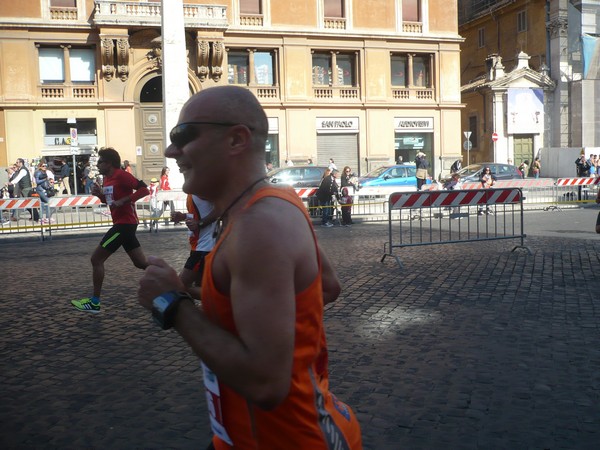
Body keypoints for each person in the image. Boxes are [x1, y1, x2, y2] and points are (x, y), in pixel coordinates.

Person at [137, 85, 362, 449]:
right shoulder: (276, 202)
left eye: (183, 135)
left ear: (236, 140)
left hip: (290, 440)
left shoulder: (259, 227)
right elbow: (327, 287)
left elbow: (265, 384)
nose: (170, 150)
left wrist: (172, 304)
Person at [71, 147, 149, 313]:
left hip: (125, 224)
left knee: (96, 259)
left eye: (100, 161)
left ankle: (94, 302)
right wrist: (99, 195)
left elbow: (144, 189)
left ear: (110, 163)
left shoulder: (122, 175)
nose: (97, 164)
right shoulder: (106, 179)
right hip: (121, 224)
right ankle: (172, 279)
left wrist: (126, 200)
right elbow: (110, 201)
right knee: (141, 263)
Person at [170, 195, 218, 299]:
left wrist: (199, 223)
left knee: (179, 286)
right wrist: (183, 216)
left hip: (204, 248)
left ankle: (222, 300)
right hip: (199, 246)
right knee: (200, 287)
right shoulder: (193, 188)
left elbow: (220, 209)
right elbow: (201, 212)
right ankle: (214, 308)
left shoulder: (202, 185)